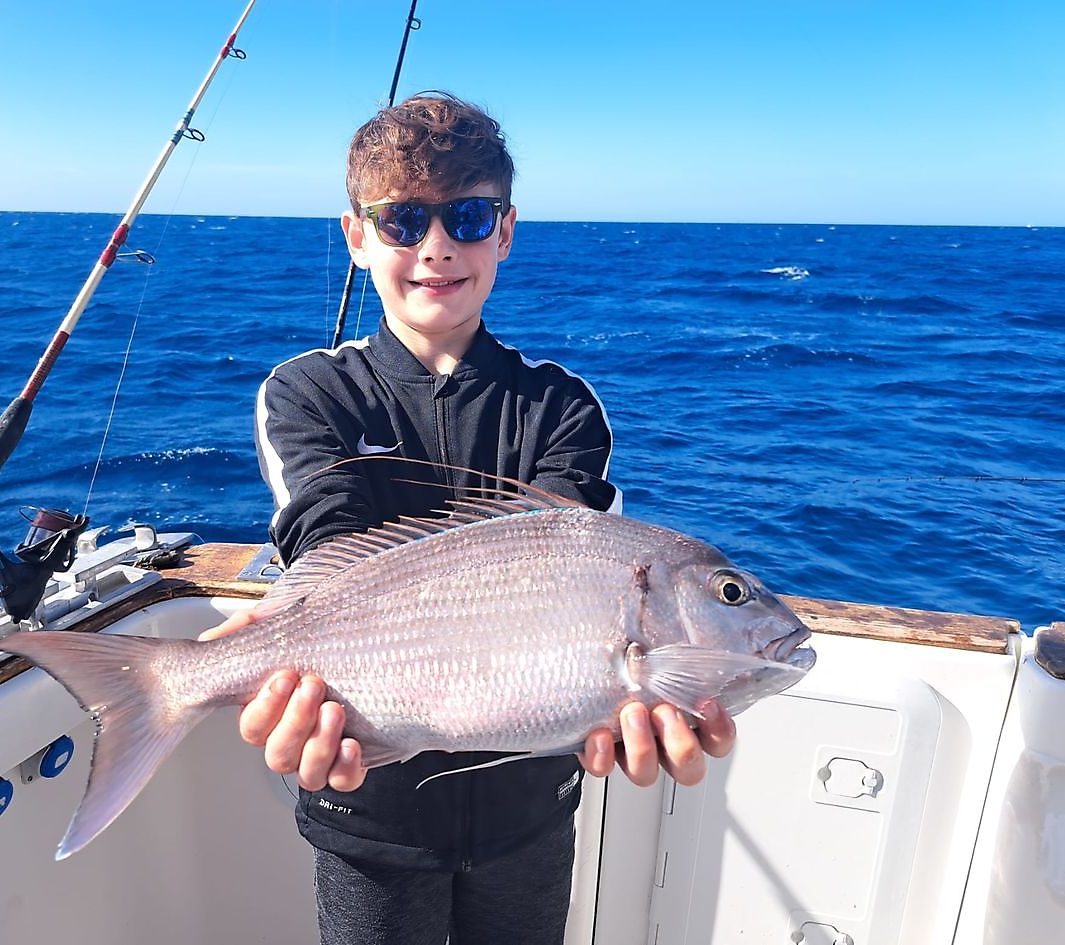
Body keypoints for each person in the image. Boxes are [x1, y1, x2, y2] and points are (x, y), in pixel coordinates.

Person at [201, 92, 736, 945]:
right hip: (366, 809)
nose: (437, 246)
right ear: (356, 237)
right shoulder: (308, 393)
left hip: (531, 812)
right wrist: (270, 642)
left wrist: (651, 690)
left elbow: (575, 570)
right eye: (403, 220)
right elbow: (328, 542)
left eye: (469, 217)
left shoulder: (561, 406)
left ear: (505, 232)